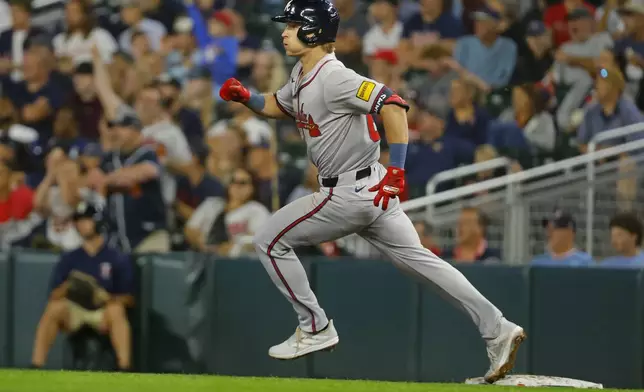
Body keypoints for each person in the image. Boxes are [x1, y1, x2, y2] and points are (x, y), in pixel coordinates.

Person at [218, 0, 525, 383]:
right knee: (425, 265)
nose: (284, 31)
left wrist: (398, 168)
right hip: (371, 189)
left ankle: (314, 327)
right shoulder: (303, 73)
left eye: (294, 24)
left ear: (313, 31)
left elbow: (393, 105)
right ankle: (497, 329)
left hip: (350, 191)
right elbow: (280, 105)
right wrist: (246, 98)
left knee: (268, 240)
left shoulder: (334, 76)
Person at [31, 200, 134, 370]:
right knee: (54, 308)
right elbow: (54, 295)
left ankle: (125, 368)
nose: (82, 224)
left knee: (117, 310)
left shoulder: (116, 257)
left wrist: (108, 298)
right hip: (75, 310)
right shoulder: (70, 258)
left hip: (102, 312)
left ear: (99, 222)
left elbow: (130, 298)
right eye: (79, 220)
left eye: (86, 219)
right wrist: (70, 286)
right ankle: (36, 365)